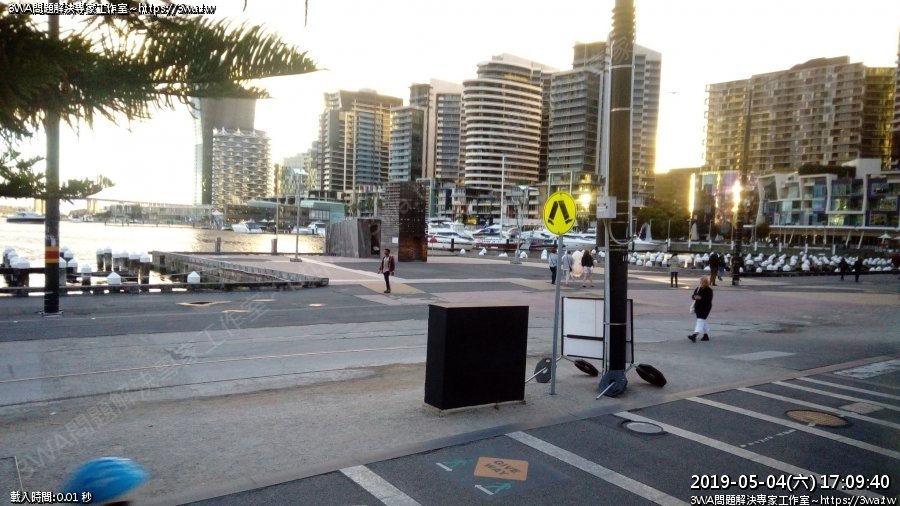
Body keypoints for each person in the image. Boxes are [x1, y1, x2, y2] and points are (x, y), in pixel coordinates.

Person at [689, 275, 714, 342]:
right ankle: (706, 335)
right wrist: (694, 297)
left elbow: (709, 299)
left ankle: (695, 334)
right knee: (702, 320)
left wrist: (701, 298)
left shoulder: (709, 290)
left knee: (700, 320)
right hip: (698, 307)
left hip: (705, 307)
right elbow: (693, 296)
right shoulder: (698, 288)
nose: (701, 283)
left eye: (702, 282)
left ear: (706, 282)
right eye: (700, 281)